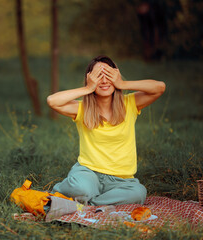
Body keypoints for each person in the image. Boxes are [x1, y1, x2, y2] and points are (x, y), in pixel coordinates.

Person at [47, 55, 165, 206]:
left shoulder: (129, 104)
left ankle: (91, 202)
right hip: (88, 174)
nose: (103, 81)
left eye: (108, 75)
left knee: (138, 193)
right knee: (81, 188)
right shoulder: (82, 109)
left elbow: (159, 87)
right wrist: (88, 88)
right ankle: (81, 195)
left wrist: (122, 83)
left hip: (121, 180)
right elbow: (52, 101)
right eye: (98, 76)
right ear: (90, 79)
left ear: (116, 76)